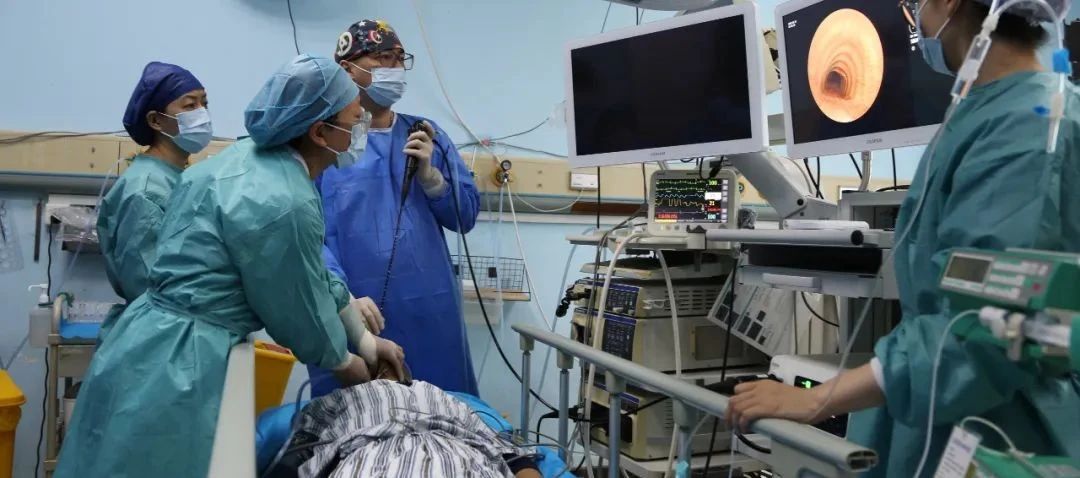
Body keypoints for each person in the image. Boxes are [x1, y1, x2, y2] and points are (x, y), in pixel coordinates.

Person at [726, 0, 1080, 476]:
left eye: (915, 5)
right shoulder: (985, 112)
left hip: (998, 428)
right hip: (940, 408)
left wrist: (815, 400)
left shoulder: (1030, 126)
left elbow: (985, 328)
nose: (915, 20)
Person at [56, 55, 403, 478]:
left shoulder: (246, 161)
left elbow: (307, 268)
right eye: (354, 120)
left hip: (146, 343)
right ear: (319, 132)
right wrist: (345, 362)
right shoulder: (283, 200)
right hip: (179, 362)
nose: (361, 127)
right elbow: (298, 307)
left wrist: (364, 340)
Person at [308, 19, 481, 397]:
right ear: (347, 70)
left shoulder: (427, 134)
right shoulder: (325, 142)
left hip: (432, 312)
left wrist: (433, 180)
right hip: (355, 313)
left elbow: (465, 217)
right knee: (355, 419)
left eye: (400, 59)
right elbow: (305, 236)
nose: (395, 68)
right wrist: (341, 297)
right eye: (382, 58)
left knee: (444, 416)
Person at [96, 61, 211, 344]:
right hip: (157, 339)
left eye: (205, 103)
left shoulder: (181, 178)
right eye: (190, 105)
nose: (202, 113)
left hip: (179, 332)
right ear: (156, 121)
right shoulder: (145, 191)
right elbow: (149, 288)